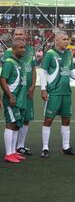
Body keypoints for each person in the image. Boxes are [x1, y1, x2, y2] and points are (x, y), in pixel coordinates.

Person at [39, 31, 75, 158]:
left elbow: (71, 71)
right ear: (56, 41)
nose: (67, 41)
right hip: (53, 93)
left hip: (66, 92)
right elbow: (43, 72)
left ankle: (66, 147)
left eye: (67, 39)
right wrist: (43, 89)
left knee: (66, 119)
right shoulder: (50, 54)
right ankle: (45, 148)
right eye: (64, 39)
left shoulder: (69, 54)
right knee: (48, 119)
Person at [2, 28, 36, 156]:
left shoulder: (29, 51)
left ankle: (19, 147)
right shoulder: (9, 55)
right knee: (12, 122)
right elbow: (4, 76)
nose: (18, 36)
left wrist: (33, 85)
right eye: (16, 34)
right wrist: (9, 95)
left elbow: (33, 69)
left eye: (21, 34)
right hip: (14, 93)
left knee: (24, 119)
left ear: (25, 36)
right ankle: (10, 151)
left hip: (25, 92)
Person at [0, 39, 26, 163]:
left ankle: (13, 151)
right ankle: (8, 153)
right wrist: (10, 96)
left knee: (16, 125)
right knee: (10, 124)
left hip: (17, 100)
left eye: (24, 47)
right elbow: (3, 80)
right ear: (14, 49)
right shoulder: (9, 62)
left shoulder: (18, 62)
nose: (24, 50)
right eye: (21, 48)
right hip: (11, 99)